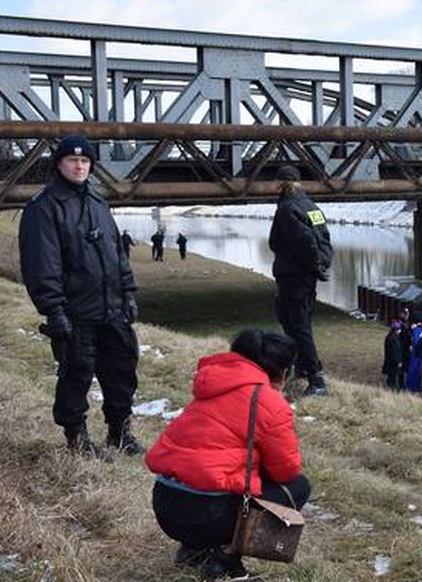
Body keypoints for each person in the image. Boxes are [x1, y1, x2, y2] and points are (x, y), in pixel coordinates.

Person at [145, 329, 310, 580]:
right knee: (297, 487)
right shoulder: (269, 401)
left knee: (212, 477)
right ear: (282, 372)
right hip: (207, 516)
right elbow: (285, 471)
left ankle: (194, 551)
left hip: (165, 505)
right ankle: (225, 559)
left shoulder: (209, 386)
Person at [18, 135, 143, 457]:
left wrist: (128, 291)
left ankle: (119, 432)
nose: (79, 166)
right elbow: (42, 264)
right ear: (59, 164)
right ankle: (78, 439)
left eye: (85, 161)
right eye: (73, 160)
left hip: (112, 308)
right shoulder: (44, 207)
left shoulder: (99, 202)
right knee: (76, 375)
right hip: (75, 312)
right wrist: (54, 310)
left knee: (121, 372)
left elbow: (117, 252)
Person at [268, 165, 334, 397]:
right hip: (307, 275)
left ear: (280, 183)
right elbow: (323, 237)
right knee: (298, 321)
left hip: (293, 275)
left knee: (296, 324)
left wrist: (313, 263)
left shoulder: (287, 208)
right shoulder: (311, 206)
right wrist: (322, 265)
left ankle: (316, 379)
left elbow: (304, 241)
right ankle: (302, 367)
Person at [381, 320, 404, 390]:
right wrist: (399, 361)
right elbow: (396, 351)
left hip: (388, 359)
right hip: (394, 362)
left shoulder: (388, 337)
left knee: (390, 376)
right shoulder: (395, 338)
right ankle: (393, 390)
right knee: (394, 377)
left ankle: (389, 387)